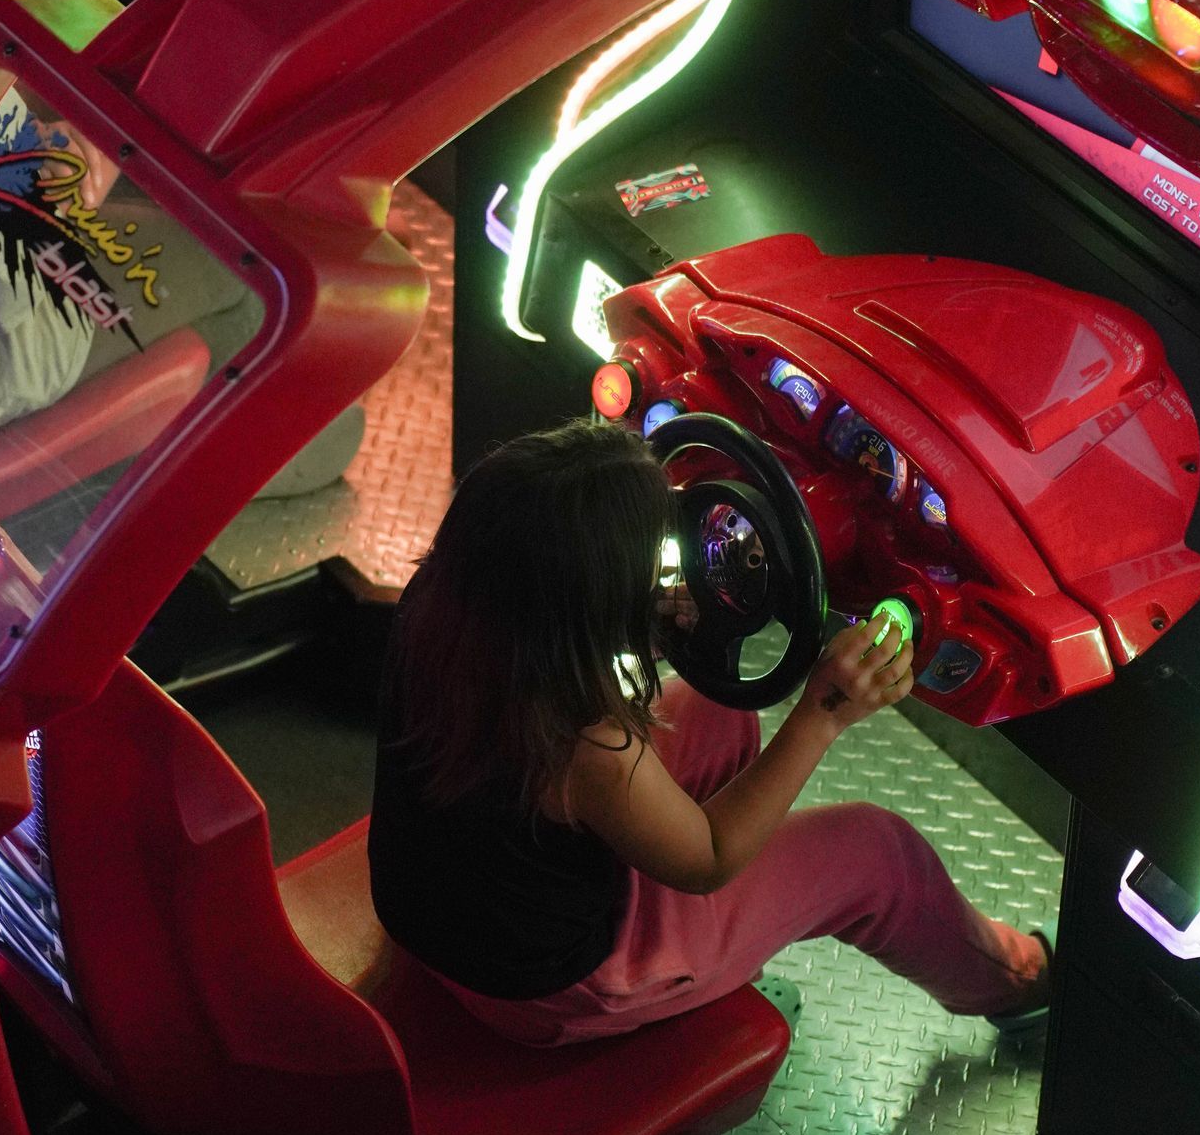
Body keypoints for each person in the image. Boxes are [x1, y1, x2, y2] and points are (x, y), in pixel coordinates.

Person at [367, 418, 1051, 1044]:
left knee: (722, 711)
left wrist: (649, 618)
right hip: (547, 988)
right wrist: (826, 711)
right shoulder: (578, 742)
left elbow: (566, 625)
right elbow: (709, 858)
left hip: (445, 909)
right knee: (879, 855)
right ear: (585, 611)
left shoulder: (449, 601)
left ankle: (716, 942)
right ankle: (1025, 983)